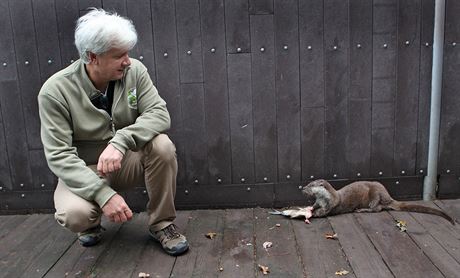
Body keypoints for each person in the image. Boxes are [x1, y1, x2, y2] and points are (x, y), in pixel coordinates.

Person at [37, 8, 189, 256]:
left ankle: (162, 224)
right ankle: (90, 223)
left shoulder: (134, 71)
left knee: (162, 145)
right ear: (92, 57)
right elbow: (59, 155)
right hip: (84, 168)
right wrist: (103, 195)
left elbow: (159, 114)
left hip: (126, 161)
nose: (127, 61)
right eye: (119, 55)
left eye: (127, 53)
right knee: (75, 215)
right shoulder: (55, 92)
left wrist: (121, 141)